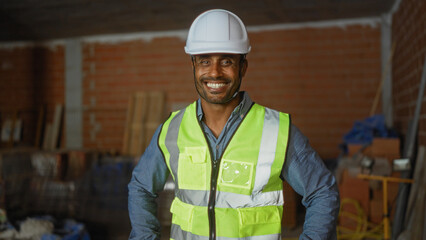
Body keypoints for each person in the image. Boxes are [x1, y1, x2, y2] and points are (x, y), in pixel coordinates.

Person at [128, 9, 340, 240]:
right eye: (205, 61)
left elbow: (322, 192)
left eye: (226, 61)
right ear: (194, 67)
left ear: (243, 67)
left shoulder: (276, 130)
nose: (215, 72)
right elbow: (141, 188)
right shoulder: (172, 129)